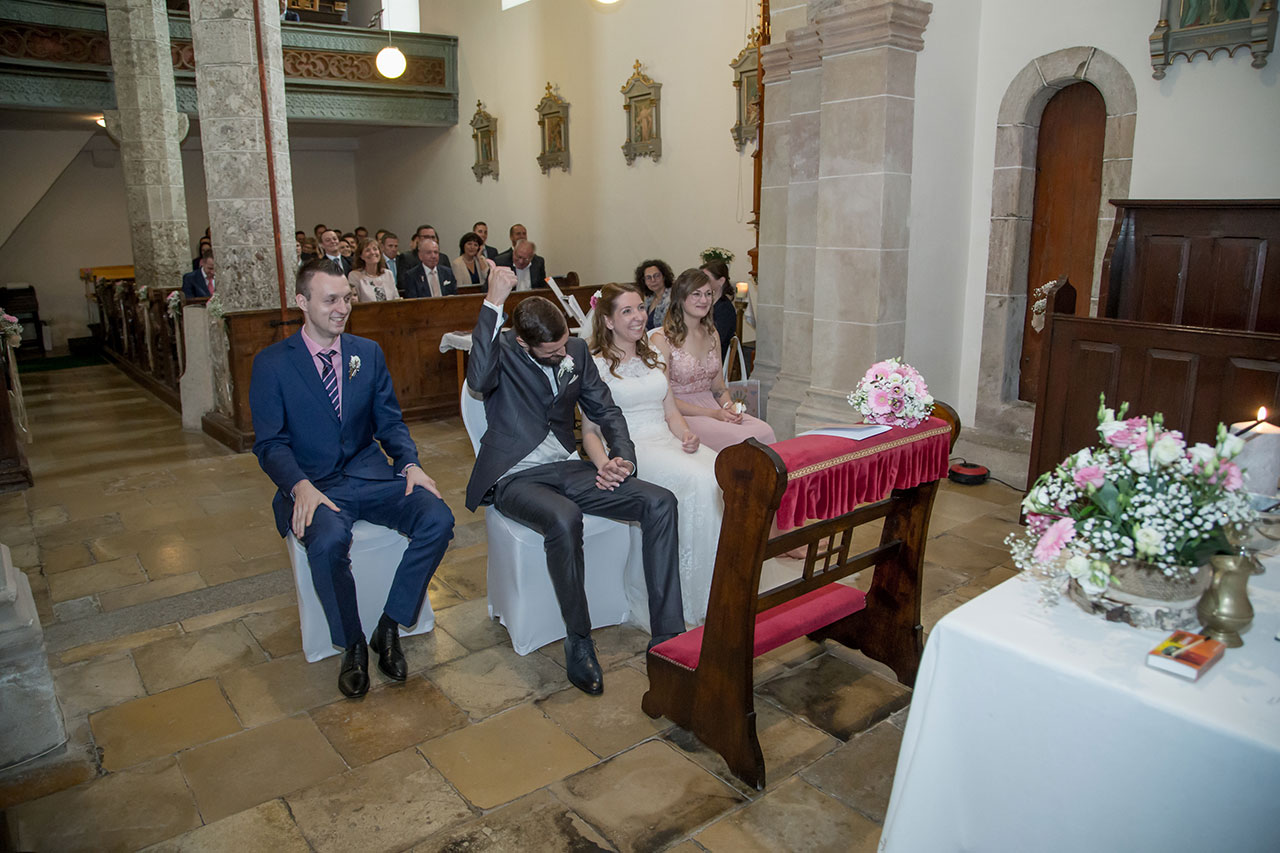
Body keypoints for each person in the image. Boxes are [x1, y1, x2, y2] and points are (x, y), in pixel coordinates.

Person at [464, 268, 684, 695]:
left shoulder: (578, 352)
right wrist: (492, 303)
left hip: (568, 467)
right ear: (524, 342)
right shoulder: (503, 350)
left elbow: (606, 412)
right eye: (553, 350)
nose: (564, 352)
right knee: (565, 519)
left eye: (565, 343)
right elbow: (477, 378)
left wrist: (622, 459)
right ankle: (579, 642)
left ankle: (668, 636)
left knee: (661, 503)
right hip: (516, 477)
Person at [250, 259, 454, 698]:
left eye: (346, 298)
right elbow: (270, 444)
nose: (342, 308)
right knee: (324, 542)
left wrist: (410, 464)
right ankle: (354, 644)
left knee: (437, 518)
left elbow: (390, 423)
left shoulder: (367, 353)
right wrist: (299, 486)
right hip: (314, 484)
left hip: (371, 475)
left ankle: (388, 625)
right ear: (302, 302)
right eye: (330, 300)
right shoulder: (272, 365)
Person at [583, 284, 723, 626]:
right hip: (632, 450)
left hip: (665, 439)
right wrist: (605, 464)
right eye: (627, 311)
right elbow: (589, 431)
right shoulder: (596, 365)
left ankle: (718, 589)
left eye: (640, 309)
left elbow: (671, 412)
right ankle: (690, 599)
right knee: (701, 481)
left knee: (721, 472)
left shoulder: (654, 356)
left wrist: (687, 436)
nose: (638, 317)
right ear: (609, 320)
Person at [651, 268, 776, 451]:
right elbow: (663, 398)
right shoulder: (662, 339)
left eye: (708, 294)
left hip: (713, 408)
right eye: (696, 294)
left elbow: (718, 389)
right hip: (681, 414)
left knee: (764, 430)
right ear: (680, 297)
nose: (704, 300)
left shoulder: (712, 334)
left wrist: (730, 408)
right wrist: (713, 414)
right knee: (742, 439)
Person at [700, 260, 738, 360]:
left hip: (715, 357)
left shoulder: (725, 308)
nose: (701, 282)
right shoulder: (707, 302)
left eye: (706, 278)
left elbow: (716, 341)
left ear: (721, 281)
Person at [349, 238, 399, 303]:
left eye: (375, 249)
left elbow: (396, 298)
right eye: (367, 250)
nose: (372, 253)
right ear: (361, 256)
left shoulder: (388, 274)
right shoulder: (354, 276)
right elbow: (355, 302)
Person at [635, 259, 673, 331]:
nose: (653, 280)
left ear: (664, 277)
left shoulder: (672, 297)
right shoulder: (648, 298)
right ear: (644, 281)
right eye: (648, 277)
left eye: (657, 276)